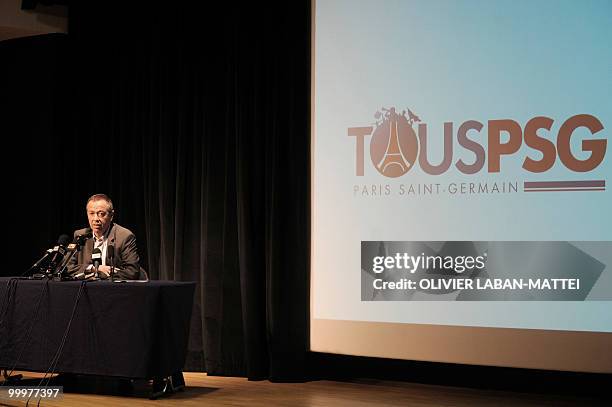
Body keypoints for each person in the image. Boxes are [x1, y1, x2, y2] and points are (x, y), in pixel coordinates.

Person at [67, 193, 141, 280]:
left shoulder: (125, 236)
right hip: (84, 290)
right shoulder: (80, 235)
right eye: (91, 213)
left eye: (101, 214)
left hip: (113, 290)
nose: (95, 219)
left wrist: (107, 273)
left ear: (111, 215)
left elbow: (133, 271)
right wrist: (93, 269)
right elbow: (66, 267)